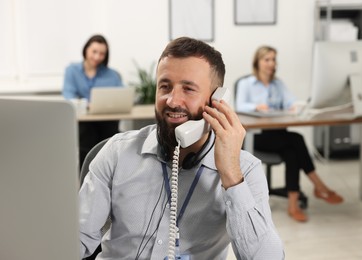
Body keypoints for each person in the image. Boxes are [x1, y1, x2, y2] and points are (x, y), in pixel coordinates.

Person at [79, 37, 284, 259]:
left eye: (188, 89)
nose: (173, 100)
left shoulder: (245, 170)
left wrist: (231, 176)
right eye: (165, 86)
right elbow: (78, 237)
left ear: (216, 100)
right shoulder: (118, 152)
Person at [235, 45, 343, 222]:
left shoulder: (278, 84)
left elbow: (291, 101)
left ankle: (293, 205)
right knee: (297, 139)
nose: (271, 63)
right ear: (258, 62)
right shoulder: (246, 83)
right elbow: (239, 106)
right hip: (258, 136)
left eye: (273, 59)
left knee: (293, 153)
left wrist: (294, 106)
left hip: (280, 135)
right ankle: (319, 186)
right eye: (267, 59)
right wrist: (256, 106)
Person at [62, 34, 123, 168]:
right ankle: (86, 176)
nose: (97, 57)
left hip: (106, 121)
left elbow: (122, 96)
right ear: (86, 50)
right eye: (94, 52)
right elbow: (68, 96)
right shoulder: (72, 71)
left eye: (102, 54)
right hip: (84, 121)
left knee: (109, 142)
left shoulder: (112, 75)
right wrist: (86, 104)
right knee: (86, 136)